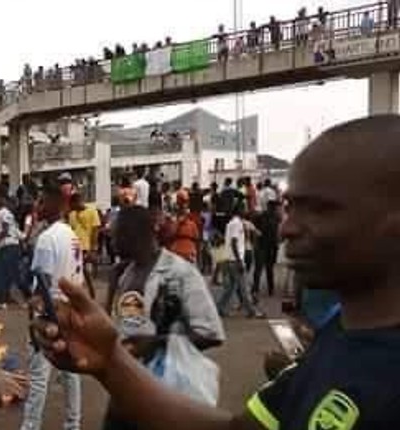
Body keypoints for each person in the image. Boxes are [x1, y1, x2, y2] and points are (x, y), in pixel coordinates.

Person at [33, 115, 400, 430]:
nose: (287, 228)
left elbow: (210, 333)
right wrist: (110, 361)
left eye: (319, 209)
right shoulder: (338, 339)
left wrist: (154, 345)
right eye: (290, 207)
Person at [104, 206, 225, 429]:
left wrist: (157, 342)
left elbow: (211, 333)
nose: (110, 240)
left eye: (115, 233)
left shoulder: (180, 273)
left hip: (165, 394)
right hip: (124, 389)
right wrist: (112, 286)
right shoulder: (125, 274)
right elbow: (112, 329)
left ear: (133, 233)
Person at [20, 185, 82, 430]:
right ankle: (73, 424)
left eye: (42, 202)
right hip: (72, 309)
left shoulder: (47, 239)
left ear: (54, 205)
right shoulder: (71, 234)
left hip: (51, 312)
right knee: (71, 373)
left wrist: (34, 317)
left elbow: (42, 284)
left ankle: (30, 426)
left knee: (38, 375)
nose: (38, 206)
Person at [216, 206, 264, 318]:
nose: (246, 211)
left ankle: (220, 308)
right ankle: (252, 311)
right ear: (239, 211)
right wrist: (239, 261)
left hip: (228, 259)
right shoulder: (237, 224)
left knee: (229, 288)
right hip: (235, 260)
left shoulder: (230, 223)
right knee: (244, 287)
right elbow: (234, 242)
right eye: (244, 209)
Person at [0, 190, 25, 309]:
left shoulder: (3, 212)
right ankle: (4, 297)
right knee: (8, 274)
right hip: (9, 246)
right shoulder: (7, 214)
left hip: (7, 246)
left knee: (8, 273)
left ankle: (25, 296)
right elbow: (16, 232)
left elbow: (5, 229)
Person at [68, 193, 101, 298]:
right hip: (74, 245)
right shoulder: (72, 214)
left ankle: (87, 292)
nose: (72, 207)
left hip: (85, 246)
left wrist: (94, 247)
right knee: (80, 270)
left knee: (81, 269)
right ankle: (88, 292)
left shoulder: (92, 211)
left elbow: (95, 230)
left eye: (73, 205)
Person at [252, 201, 281, 300]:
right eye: (274, 207)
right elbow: (254, 228)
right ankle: (256, 288)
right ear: (269, 207)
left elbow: (276, 232)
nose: (275, 209)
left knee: (269, 268)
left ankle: (270, 289)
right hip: (262, 246)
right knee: (259, 269)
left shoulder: (277, 217)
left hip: (271, 246)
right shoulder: (261, 216)